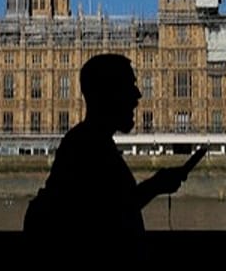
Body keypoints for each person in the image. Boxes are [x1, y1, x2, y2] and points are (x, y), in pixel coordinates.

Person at [24, 52, 200, 233]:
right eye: (129, 86)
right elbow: (101, 218)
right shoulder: (86, 147)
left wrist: (156, 185)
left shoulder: (92, 142)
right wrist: (155, 186)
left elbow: (112, 207)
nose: (138, 95)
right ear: (108, 94)